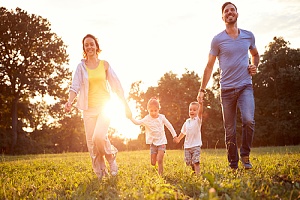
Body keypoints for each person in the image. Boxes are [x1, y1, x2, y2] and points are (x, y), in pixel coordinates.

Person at [197, 2, 259, 170]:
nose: (230, 12)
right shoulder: (217, 40)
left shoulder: (248, 36)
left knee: (248, 120)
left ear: (237, 14)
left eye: (232, 10)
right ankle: (233, 164)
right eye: (226, 11)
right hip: (226, 90)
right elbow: (209, 66)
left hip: (245, 86)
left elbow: (255, 55)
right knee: (229, 129)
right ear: (222, 17)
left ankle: (245, 154)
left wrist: (255, 66)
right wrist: (202, 89)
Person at [64, 34, 132, 180]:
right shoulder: (81, 67)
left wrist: (125, 105)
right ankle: (101, 174)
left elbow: (116, 86)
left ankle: (111, 157)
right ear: (84, 48)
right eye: (86, 45)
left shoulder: (104, 65)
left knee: (99, 137)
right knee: (92, 144)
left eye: (91, 44)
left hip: (105, 107)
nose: (89, 47)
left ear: (96, 46)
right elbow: (74, 86)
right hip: (88, 109)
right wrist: (69, 101)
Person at [129, 97, 177, 176]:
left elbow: (169, 126)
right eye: (151, 111)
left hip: (161, 142)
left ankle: (160, 176)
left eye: (155, 110)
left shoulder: (162, 117)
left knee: (160, 160)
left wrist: (174, 135)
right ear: (148, 110)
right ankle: (156, 162)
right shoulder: (147, 119)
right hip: (153, 144)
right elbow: (137, 122)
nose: (154, 113)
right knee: (153, 162)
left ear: (158, 109)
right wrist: (130, 117)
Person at [174, 102, 203, 175]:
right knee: (188, 162)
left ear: (197, 111)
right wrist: (178, 139)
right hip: (187, 146)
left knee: (196, 161)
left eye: (194, 110)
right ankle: (194, 171)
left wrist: (201, 104)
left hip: (196, 145)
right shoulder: (187, 122)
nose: (192, 111)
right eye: (190, 109)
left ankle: (198, 175)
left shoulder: (198, 120)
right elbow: (183, 132)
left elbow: (200, 112)